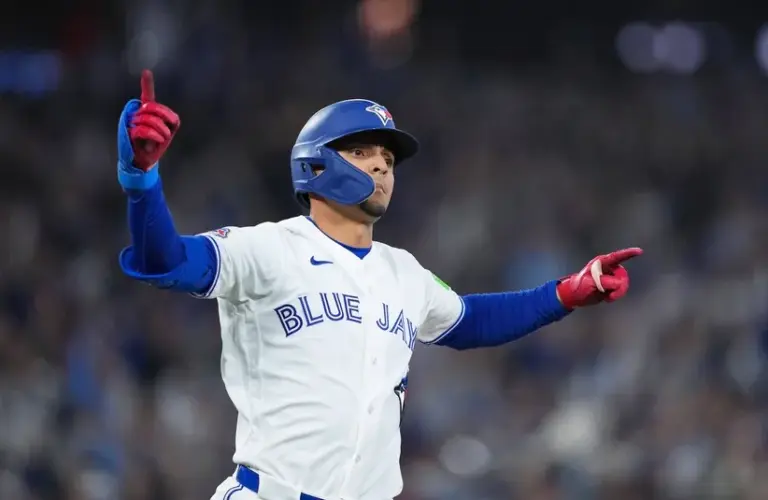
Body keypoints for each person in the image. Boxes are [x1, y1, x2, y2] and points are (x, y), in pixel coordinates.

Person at [117, 70, 642, 500]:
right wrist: (142, 178)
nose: (381, 167)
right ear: (315, 162)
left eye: (388, 160)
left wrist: (568, 292)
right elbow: (167, 259)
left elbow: (470, 321)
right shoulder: (268, 247)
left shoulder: (402, 272)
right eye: (363, 151)